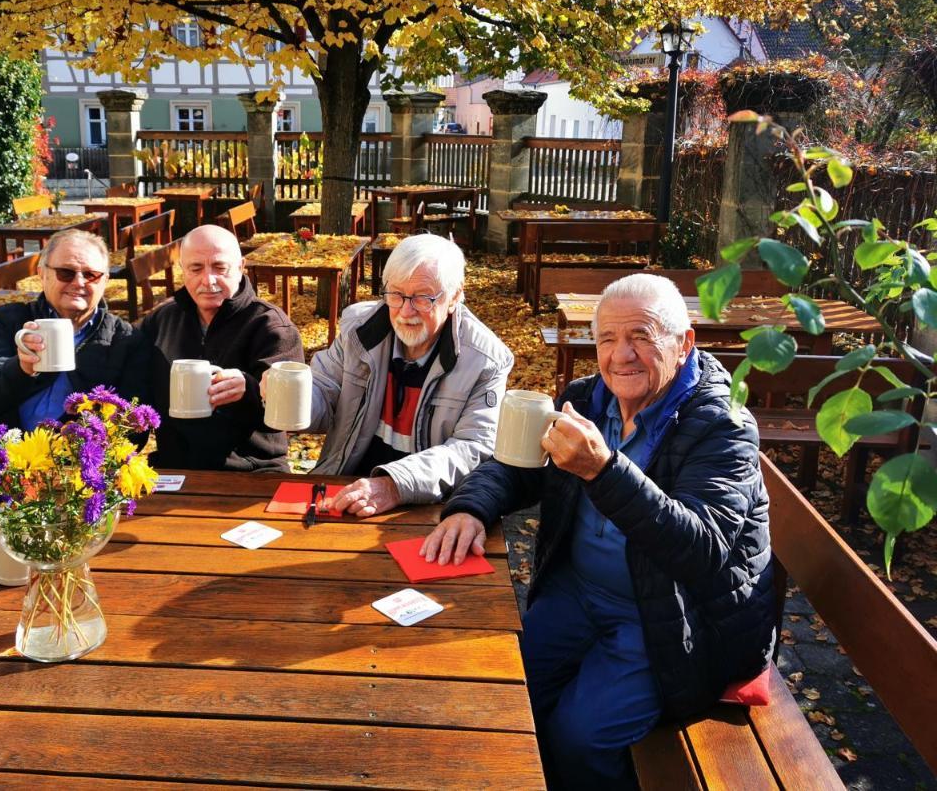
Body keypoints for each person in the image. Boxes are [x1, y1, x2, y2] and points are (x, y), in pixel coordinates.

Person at [421, 273, 776, 790]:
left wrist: (603, 470)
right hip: (579, 592)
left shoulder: (722, 425)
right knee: (501, 690)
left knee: (577, 736)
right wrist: (471, 507)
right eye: (606, 339)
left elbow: (702, 549)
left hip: (669, 619)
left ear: (685, 343)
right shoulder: (588, 399)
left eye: (641, 336)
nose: (620, 355)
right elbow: (521, 464)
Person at [298, 233, 513, 516]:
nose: (405, 312)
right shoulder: (358, 330)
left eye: (423, 298)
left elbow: (473, 448)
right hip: (346, 487)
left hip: (428, 505)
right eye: (396, 295)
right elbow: (323, 393)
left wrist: (395, 485)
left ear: (455, 297)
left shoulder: (485, 359)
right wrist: (294, 399)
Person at [134, 224, 304, 471]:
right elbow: (132, 387)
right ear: (183, 270)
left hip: (253, 470)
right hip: (175, 468)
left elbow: (284, 417)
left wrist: (249, 391)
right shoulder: (162, 320)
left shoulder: (270, 325)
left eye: (219, 267)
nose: (208, 279)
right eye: (196, 268)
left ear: (240, 267)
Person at [0, 229, 143, 429]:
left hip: (86, 457)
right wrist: (21, 368)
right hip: (9, 454)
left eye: (91, 275)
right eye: (66, 273)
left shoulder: (126, 339)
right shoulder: (8, 321)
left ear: (105, 281)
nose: (79, 283)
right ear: (42, 274)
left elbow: (136, 431)